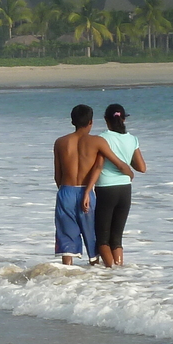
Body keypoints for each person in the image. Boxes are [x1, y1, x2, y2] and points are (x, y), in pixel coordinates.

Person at [52, 104, 133, 266]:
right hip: (86, 193)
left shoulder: (60, 142)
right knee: (92, 238)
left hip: (65, 191)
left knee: (66, 239)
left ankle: (67, 275)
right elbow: (118, 163)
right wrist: (130, 173)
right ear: (91, 122)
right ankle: (95, 277)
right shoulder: (97, 141)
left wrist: (66, 192)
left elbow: (58, 176)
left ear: (72, 121)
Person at [94, 103, 146, 267]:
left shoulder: (102, 138)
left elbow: (95, 165)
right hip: (125, 188)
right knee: (116, 237)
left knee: (102, 237)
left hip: (105, 188)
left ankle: (111, 273)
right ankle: (120, 272)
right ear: (123, 119)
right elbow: (141, 167)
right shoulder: (132, 139)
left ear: (105, 119)